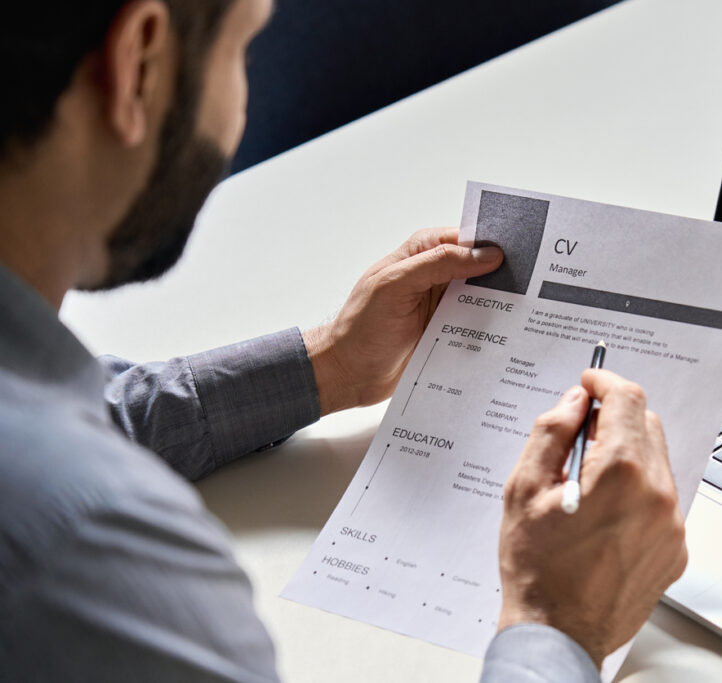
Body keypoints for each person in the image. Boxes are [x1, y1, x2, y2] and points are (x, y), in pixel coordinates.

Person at [0, 1, 687, 681]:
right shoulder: (97, 566)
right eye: (244, 51)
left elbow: (87, 413)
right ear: (138, 63)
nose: (240, 106)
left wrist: (330, 365)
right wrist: (557, 625)